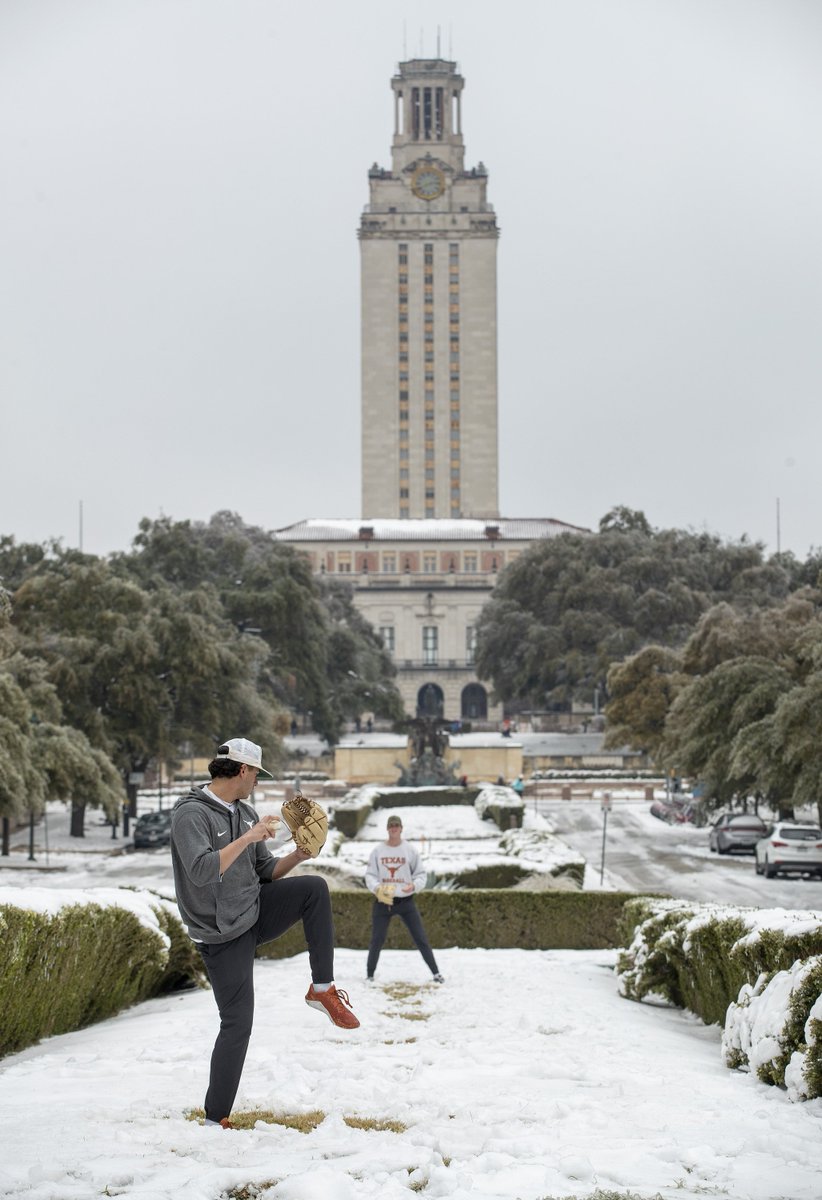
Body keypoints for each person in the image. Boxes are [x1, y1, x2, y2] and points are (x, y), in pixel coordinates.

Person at [170, 737, 359, 1130]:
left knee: (314, 889)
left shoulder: (244, 811)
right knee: (238, 1024)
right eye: (256, 773)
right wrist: (250, 836)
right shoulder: (191, 814)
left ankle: (322, 989)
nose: (257, 780)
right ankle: (214, 1119)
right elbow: (203, 870)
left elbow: (264, 871)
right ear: (242, 770)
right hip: (221, 934)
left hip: (254, 909)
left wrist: (298, 855)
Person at [364, 814, 443, 984]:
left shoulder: (410, 850)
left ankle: (436, 973)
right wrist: (377, 888)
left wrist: (414, 886)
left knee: (420, 938)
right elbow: (370, 875)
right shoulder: (378, 851)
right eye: (391, 825)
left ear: (401, 828)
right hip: (383, 901)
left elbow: (421, 874)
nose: (393, 828)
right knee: (377, 939)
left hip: (406, 901)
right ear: (387, 828)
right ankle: (370, 974)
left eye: (396, 825)